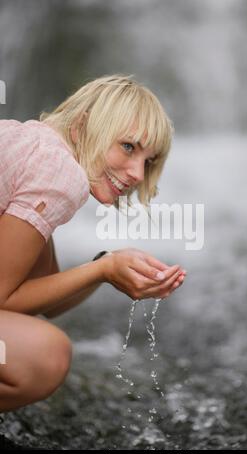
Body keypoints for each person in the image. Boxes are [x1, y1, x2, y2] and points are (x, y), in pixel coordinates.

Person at [0, 74, 186, 412]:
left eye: (149, 161)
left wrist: (105, 266)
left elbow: (44, 298)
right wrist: (105, 268)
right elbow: (3, 298)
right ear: (81, 128)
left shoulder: (32, 146)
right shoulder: (60, 173)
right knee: (47, 355)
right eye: (128, 147)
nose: (138, 174)